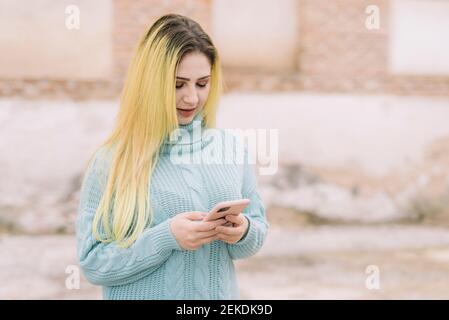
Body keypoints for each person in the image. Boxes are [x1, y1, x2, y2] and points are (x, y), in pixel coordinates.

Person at [76, 13, 269, 300]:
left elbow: (255, 234)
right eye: (178, 85)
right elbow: (93, 264)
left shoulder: (230, 147)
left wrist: (243, 231)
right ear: (150, 83)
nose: (191, 98)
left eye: (202, 84)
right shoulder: (111, 161)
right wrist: (166, 238)